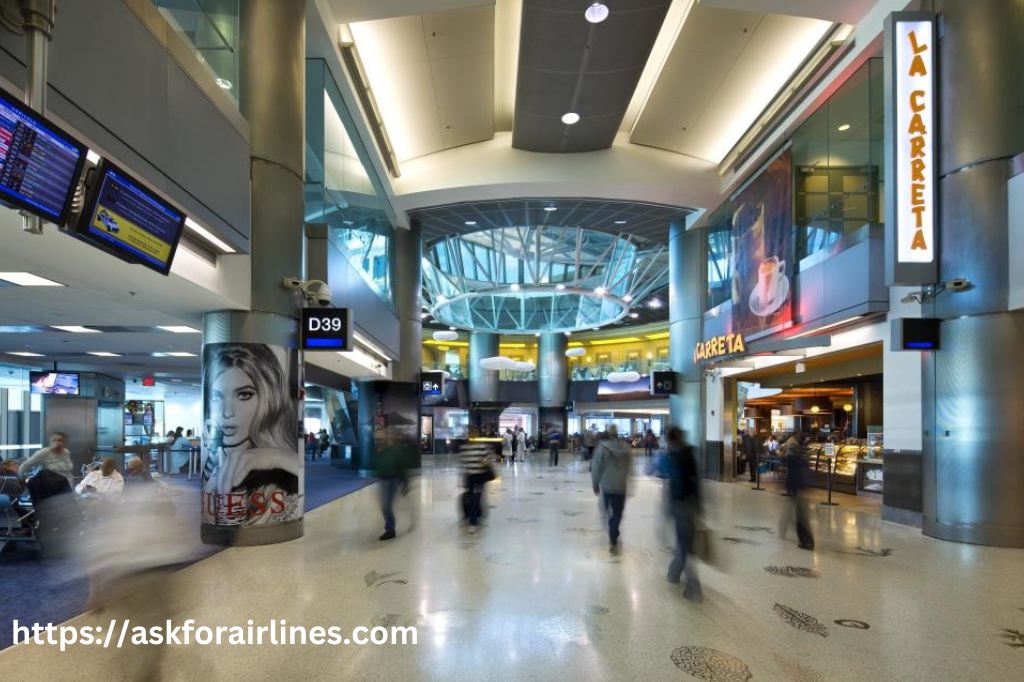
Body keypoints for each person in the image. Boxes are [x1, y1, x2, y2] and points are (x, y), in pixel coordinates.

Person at [202, 343, 300, 526]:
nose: (227, 412)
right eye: (217, 397)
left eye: (244, 395)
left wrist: (276, 457)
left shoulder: (286, 472)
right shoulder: (213, 467)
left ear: (268, 400)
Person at [664, 427, 703, 601]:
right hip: (691, 504)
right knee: (684, 541)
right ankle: (673, 573)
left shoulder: (674, 456)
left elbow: (673, 482)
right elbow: (697, 481)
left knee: (685, 545)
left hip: (680, 505)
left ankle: (694, 589)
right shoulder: (690, 454)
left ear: (671, 440)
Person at [591, 424, 632, 553]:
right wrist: (631, 482)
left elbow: (596, 467)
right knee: (618, 512)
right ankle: (614, 528)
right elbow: (630, 468)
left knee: (607, 511)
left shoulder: (602, 448)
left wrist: (595, 483)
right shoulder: (626, 448)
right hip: (621, 486)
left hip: (607, 485)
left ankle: (612, 531)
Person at [375, 434, 416, 541]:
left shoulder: (395, 451)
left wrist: (406, 483)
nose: (379, 440)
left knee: (386, 507)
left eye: (381, 438)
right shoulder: (383, 451)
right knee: (385, 506)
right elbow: (381, 465)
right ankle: (390, 528)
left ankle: (390, 530)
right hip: (384, 481)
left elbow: (402, 467)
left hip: (392, 481)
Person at [781, 433, 815, 550]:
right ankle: (806, 540)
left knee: (800, 518)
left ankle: (807, 542)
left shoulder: (793, 459)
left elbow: (790, 472)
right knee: (800, 516)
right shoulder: (801, 458)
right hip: (800, 488)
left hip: (797, 489)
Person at [459, 440, 493, 533]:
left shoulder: (482, 446)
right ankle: (472, 522)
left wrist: (484, 462)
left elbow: (488, 458)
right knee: (471, 499)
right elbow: (462, 462)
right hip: (469, 477)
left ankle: (477, 515)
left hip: (480, 477)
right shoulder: (464, 448)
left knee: (476, 498)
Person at [0, 458, 31, 524]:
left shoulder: (9, 475)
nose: (17, 466)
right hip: (12, 503)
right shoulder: (10, 476)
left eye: (17, 464)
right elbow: (19, 490)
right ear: (7, 466)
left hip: (12, 503)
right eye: (14, 464)